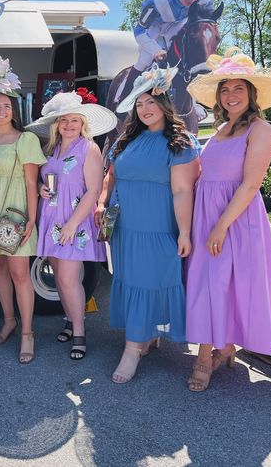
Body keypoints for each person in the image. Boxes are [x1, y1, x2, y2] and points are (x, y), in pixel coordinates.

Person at [96, 64, 200, 383]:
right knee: (132, 281)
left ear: (164, 103)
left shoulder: (179, 142)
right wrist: (101, 202)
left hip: (157, 228)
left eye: (150, 102)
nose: (144, 109)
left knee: (149, 282)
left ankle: (132, 349)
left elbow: (183, 191)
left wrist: (184, 232)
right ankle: (143, 336)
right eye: (139, 104)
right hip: (125, 230)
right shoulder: (126, 141)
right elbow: (110, 176)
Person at [185, 48, 271, 392]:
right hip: (207, 214)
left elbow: (252, 183)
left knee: (220, 283)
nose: (231, 95)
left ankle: (204, 356)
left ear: (252, 94)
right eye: (225, 90)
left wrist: (222, 224)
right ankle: (224, 347)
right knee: (211, 283)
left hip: (235, 219)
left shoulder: (260, 128)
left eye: (239, 89)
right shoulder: (221, 127)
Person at [27, 91, 117, 359]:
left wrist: (71, 225)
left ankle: (79, 331)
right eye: (63, 120)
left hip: (72, 222)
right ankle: (69, 319)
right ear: (56, 124)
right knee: (59, 278)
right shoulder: (51, 148)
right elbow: (46, 179)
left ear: (83, 123)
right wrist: (42, 188)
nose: (68, 125)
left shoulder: (89, 148)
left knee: (67, 279)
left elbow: (92, 190)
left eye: (74, 120)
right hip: (52, 219)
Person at [0, 56, 46, 364]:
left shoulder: (25, 139)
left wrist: (32, 218)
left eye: (6, 105)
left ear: (14, 109)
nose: (1, 110)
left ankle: (27, 333)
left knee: (19, 272)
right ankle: (9, 320)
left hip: (15, 214)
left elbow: (32, 183)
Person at [133, 0, 214, 74]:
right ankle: (128, 86)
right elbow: (139, 31)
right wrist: (155, 50)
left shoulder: (206, 1)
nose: (192, 0)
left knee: (180, 49)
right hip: (156, 24)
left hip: (178, 23)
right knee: (145, 58)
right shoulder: (157, 1)